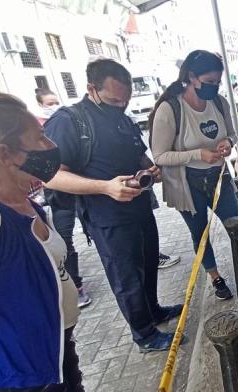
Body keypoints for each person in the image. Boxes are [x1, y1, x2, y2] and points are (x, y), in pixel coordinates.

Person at [45, 58, 184, 352]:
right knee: (126, 276)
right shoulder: (69, 121)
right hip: (106, 217)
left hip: (140, 208)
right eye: (113, 100)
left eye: (125, 100)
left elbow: (138, 156)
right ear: (91, 89)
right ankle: (144, 334)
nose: (120, 104)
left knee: (147, 264)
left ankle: (154, 310)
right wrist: (105, 187)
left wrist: (150, 170)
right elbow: (52, 176)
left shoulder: (123, 117)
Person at [150, 50, 238, 300]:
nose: (214, 87)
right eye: (209, 82)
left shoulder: (219, 103)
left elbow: (232, 135)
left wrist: (226, 143)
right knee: (200, 233)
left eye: (217, 82)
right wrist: (197, 154)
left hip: (218, 177)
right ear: (192, 77)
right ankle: (216, 277)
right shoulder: (171, 109)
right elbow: (159, 156)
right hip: (187, 183)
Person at [0, 93, 83, 391]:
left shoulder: (29, 204)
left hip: (59, 351)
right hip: (28, 377)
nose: (51, 147)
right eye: (40, 138)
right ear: (5, 154)